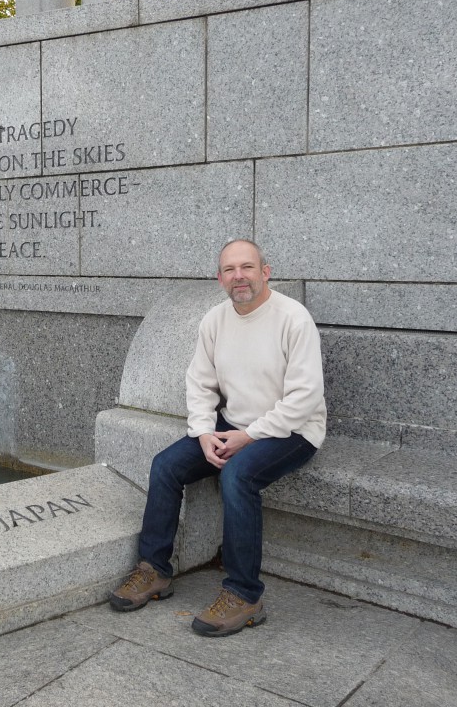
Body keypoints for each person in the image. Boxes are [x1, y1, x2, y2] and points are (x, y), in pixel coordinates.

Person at [109, 239, 326, 637]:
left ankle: (244, 595)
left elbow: (305, 398)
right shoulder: (214, 320)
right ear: (220, 277)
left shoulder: (293, 318)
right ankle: (154, 570)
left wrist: (250, 435)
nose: (238, 276)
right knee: (166, 465)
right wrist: (204, 432)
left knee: (238, 476)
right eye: (229, 270)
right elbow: (200, 383)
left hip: (293, 429)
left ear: (266, 271)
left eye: (247, 267)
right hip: (233, 424)